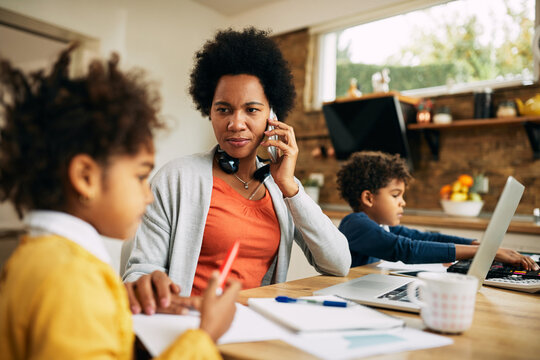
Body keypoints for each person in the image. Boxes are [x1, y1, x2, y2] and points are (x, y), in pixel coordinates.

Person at [0, 45, 241, 359]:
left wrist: (115, 302)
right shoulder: (73, 281)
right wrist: (205, 335)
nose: (148, 194)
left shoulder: (37, 257)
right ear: (85, 176)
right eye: (140, 176)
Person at [122, 27, 351, 314]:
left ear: (273, 116)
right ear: (209, 111)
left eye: (252, 110)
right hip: (188, 324)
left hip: (254, 326)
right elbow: (140, 271)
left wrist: (289, 186)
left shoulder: (281, 189)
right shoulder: (176, 178)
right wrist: (150, 287)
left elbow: (338, 263)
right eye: (223, 109)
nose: (236, 123)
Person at [336, 151, 538, 270]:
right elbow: (406, 249)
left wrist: (479, 245)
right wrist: (486, 252)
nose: (403, 202)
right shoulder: (355, 224)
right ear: (368, 198)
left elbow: (426, 237)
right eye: (396, 195)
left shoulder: (380, 226)